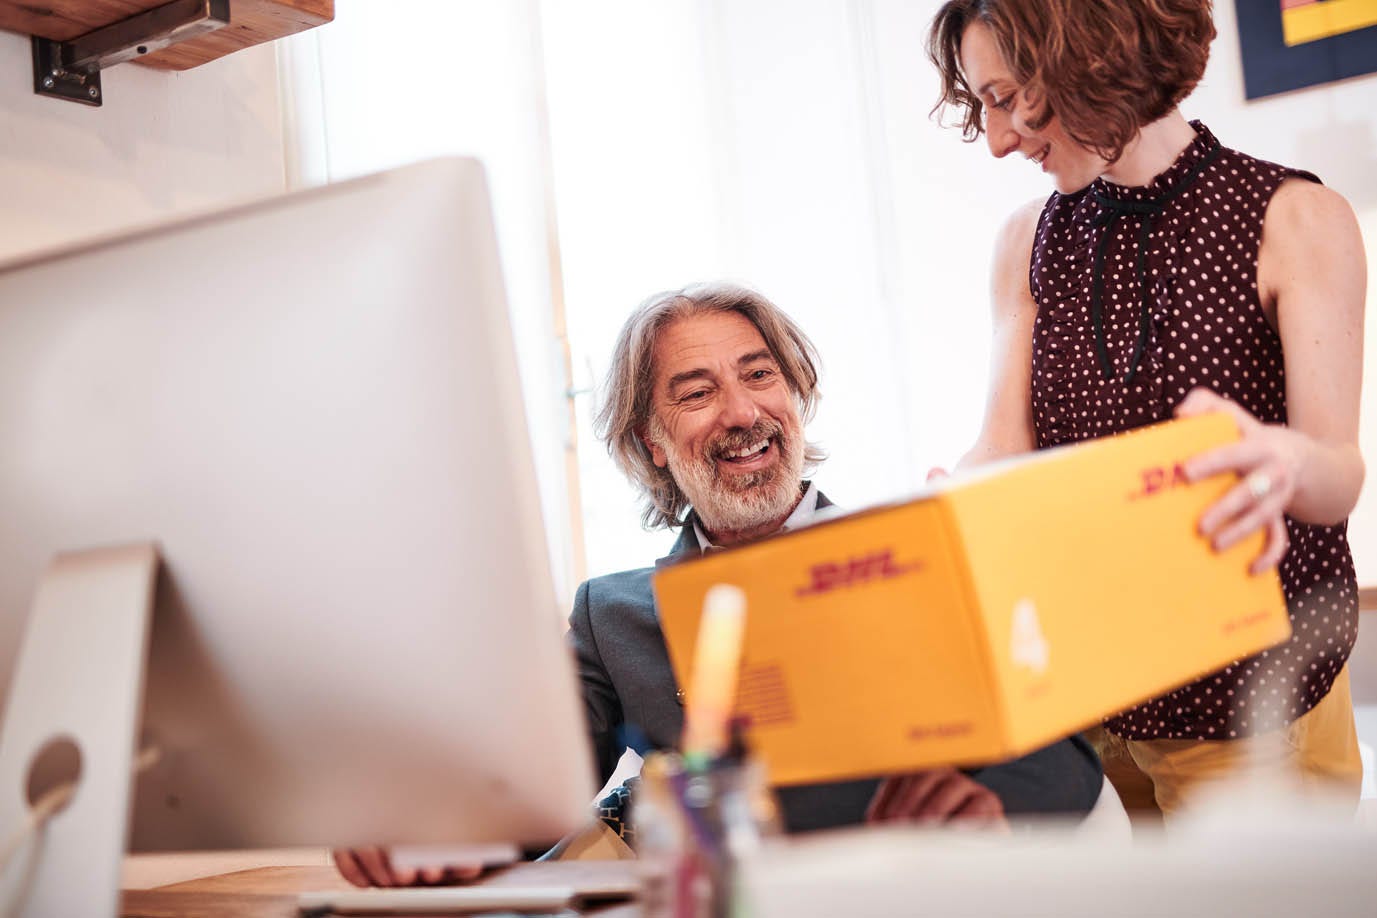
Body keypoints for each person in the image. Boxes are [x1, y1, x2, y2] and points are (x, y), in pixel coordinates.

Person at [335, 282, 1104, 887]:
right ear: (653, 441)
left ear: (793, 396)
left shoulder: (914, 553)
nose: (741, 412)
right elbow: (536, 784)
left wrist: (990, 813)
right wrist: (431, 834)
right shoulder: (613, 614)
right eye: (696, 392)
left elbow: (1061, 762)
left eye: (759, 375)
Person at [926, 0, 1366, 822]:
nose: (996, 141)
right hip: (1089, 697)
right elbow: (1003, 446)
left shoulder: (1296, 218)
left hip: (1248, 701)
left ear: (1087, 55)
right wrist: (949, 501)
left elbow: (1336, 474)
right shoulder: (1026, 240)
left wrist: (1284, 462)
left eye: (1007, 97)